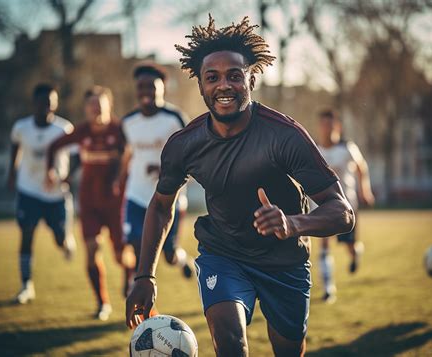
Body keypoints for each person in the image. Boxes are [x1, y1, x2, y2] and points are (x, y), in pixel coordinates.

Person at [125, 16, 355, 357]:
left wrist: (293, 224)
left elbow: (343, 212)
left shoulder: (284, 136)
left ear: (252, 78)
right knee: (230, 342)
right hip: (223, 254)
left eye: (235, 75)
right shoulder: (184, 145)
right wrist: (145, 276)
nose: (224, 86)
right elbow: (160, 206)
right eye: (212, 77)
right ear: (201, 85)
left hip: (285, 262)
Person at [46, 85, 134, 321]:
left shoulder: (120, 129)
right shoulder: (81, 131)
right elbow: (54, 147)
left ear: (109, 105)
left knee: (119, 254)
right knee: (92, 250)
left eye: (99, 104)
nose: (95, 108)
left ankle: (129, 279)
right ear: (86, 108)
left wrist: (119, 178)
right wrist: (51, 172)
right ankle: (102, 303)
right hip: (90, 203)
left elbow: (129, 156)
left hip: (116, 204)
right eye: (91, 105)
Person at [119, 62, 194, 294]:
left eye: (151, 87)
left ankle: (182, 260)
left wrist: (166, 172)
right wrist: (118, 179)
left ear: (163, 88)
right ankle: (139, 291)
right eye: (141, 87)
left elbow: (192, 159)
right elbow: (126, 155)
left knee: (168, 254)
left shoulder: (175, 118)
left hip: (168, 199)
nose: (146, 93)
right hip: (136, 194)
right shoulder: (128, 122)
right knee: (134, 244)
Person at [7, 83, 76, 305]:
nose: (46, 106)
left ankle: (66, 242)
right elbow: (15, 146)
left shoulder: (64, 129)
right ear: (34, 103)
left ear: (55, 104)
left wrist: (67, 177)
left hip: (55, 194)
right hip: (28, 190)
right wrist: (12, 172)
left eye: (50, 102)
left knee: (58, 238)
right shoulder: (21, 127)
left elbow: (76, 156)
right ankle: (26, 285)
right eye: (42, 102)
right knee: (26, 234)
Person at [315, 109, 375, 303]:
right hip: (322, 205)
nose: (327, 129)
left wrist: (365, 190)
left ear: (337, 127)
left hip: (346, 205)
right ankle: (328, 289)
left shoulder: (347, 147)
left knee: (349, 245)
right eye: (323, 125)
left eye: (330, 125)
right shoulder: (315, 149)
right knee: (323, 245)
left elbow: (361, 167)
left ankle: (355, 254)